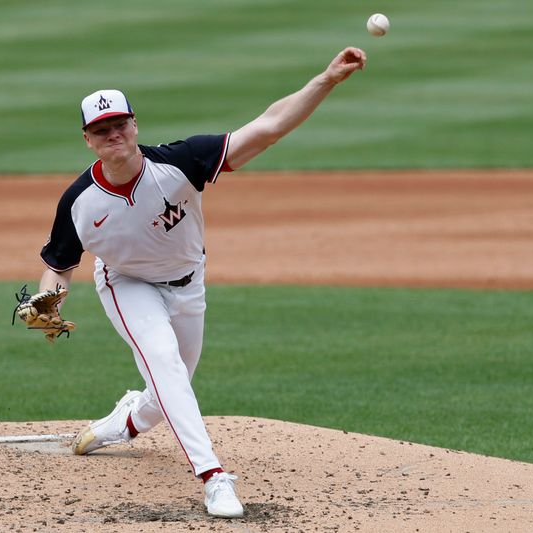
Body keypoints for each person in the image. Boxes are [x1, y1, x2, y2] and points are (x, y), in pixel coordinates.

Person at [33, 47, 367, 518]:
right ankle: (214, 477)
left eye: (120, 124)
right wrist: (47, 305)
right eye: (101, 130)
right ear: (87, 139)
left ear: (134, 125)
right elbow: (60, 263)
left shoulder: (180, 161)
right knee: (165, 362)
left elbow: (266, 129)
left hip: (190, 286)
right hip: (126, 285)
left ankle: (126, 419)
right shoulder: (79, 201)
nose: (113, 135)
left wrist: (326, 79)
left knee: (168, 389)